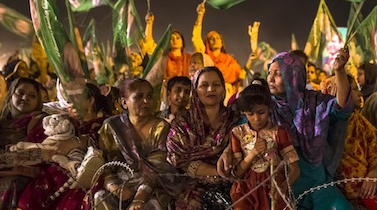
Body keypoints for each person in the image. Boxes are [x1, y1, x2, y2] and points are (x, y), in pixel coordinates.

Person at [219, 49, 354, 209]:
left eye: (278, 73)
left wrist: (339, 70)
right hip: (279, 181)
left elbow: (342, 107)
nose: (270, 78)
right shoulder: (264, 106)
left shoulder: (314, 102)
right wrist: (227, 151)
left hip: (314, 179)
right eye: (269, 72)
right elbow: (243, 131)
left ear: (294, 76)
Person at [17, 84, 111, 209]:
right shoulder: (64, 122)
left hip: (84, 175)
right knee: (28, 199)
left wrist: (76, 143)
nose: (70, 105)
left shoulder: (105, 124)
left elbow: (105, 144)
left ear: (90, 101)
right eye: (68, 101)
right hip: (51, 173)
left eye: (74, 100)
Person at [94, 78, 179, 210]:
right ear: (124, 102)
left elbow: (159, 168)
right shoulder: (111, 127)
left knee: (155, 204)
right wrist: (115, 188)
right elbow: (104, 165)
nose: (146, 101)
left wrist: (140, 196)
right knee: (99, 197)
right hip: (120, 186)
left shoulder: (161, 127)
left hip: (153, 187)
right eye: (139, 97)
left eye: (149, 96)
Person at [167, 67, 239, 210]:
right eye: (204, 85)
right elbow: (179, 159)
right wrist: (218, 172)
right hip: (191, 188)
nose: (210, 89)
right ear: (195, 90)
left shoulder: (235, 120)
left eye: (216, 85)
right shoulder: (182, 122)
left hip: (232, 186)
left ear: (223, 89)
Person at [0, 78, 47, 209]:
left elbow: (40, 155)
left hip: (16, 172)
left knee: (11, 184)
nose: (25, 97)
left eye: (32, 96)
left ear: (38, 101)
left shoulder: (40, 123)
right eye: (20, 93)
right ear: (11, 95)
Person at [330, 75, 377, 209]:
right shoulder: (324, 126)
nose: (360, 94)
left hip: (368, 186)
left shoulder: (360, 122)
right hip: (338, 192)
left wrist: (374, 174)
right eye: (354, 90)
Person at [229, 81, 300, 210]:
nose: (256, 118)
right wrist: (253, 153)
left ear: (269, 108)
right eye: (250, 114)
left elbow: (295, 169)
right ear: (244, 113)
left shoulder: (278, 132)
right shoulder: (237, 133)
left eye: (261, 112)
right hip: (246, 192)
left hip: (273, 190)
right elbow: (236, 173)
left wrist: (282, 188)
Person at [191, 3, 243, 85]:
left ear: (222, 42)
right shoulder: (204, 57)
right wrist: (200, 16)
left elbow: (241, 75)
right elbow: (196, 38)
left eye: (217, 38)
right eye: (211, 39)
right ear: (207, 43)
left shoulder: (229, 60)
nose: (215, 40)